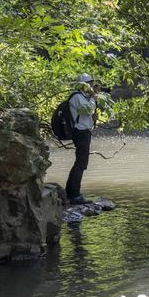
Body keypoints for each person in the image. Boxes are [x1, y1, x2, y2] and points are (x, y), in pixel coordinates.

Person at [65, 72, 97, 204]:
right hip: (80, 132)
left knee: (80, 163)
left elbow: (88, 113)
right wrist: (94, 97)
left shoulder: (84, 97)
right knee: (81, 163)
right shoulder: (77, 97)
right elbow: (87, 110)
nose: (91, 86)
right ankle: (74, 195)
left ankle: (71, 193)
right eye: (89, 83)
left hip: (85, 132)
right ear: (83, 85)